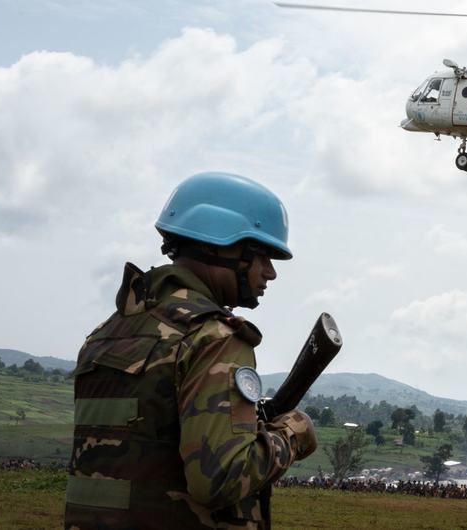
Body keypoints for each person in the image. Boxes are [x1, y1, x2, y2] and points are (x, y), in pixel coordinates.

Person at [64, 172, 318, 529]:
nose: (270, 273)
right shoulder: (214, 337)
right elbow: (221, 478)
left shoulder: (106, 334)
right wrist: (291, 435)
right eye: (261, 255)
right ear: (219, 244)